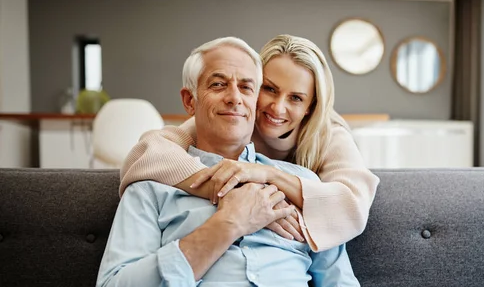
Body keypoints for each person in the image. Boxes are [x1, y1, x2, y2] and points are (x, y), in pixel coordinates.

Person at [93, 37, 421, 287]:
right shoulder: (154, 181)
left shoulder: (306, 185)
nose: (235, 97)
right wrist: (228, 222)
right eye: (218, 84)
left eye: (246, 86)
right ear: (190, 100)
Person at [120, 34, 379, 252]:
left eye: (296, 98)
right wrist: (236, 191)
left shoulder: (327, 133)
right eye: (270, 89)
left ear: (311, 107)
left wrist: (269, 175)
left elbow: (353, 205)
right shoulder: (234, 119)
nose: (277, 108)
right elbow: (148, 152)